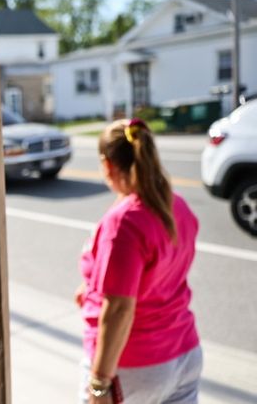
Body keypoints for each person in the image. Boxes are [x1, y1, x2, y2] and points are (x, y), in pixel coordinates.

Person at [76, 119, 202, 403]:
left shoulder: (124, 224)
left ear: (107, 164)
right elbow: (159, 273)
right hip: (184, 353)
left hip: (135, 367)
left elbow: (120, 307)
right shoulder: (175, 205)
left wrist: (99, 384)